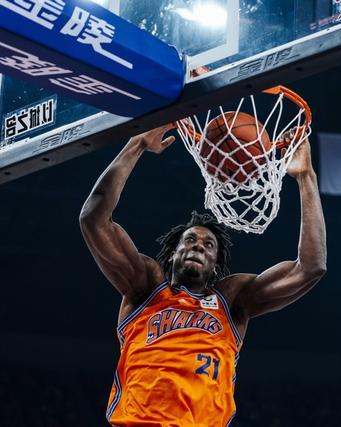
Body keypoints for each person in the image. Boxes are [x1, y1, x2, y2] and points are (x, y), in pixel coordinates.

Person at [79, 124, 327, 426]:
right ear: (173, 254)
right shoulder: (146, 287)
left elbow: (310, 268)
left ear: (215, 265)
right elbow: (93, 218)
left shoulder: (232, 300)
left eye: (208, 245)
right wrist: (138, 143)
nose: (198, 246)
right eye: (190, 240)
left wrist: (305, 176)